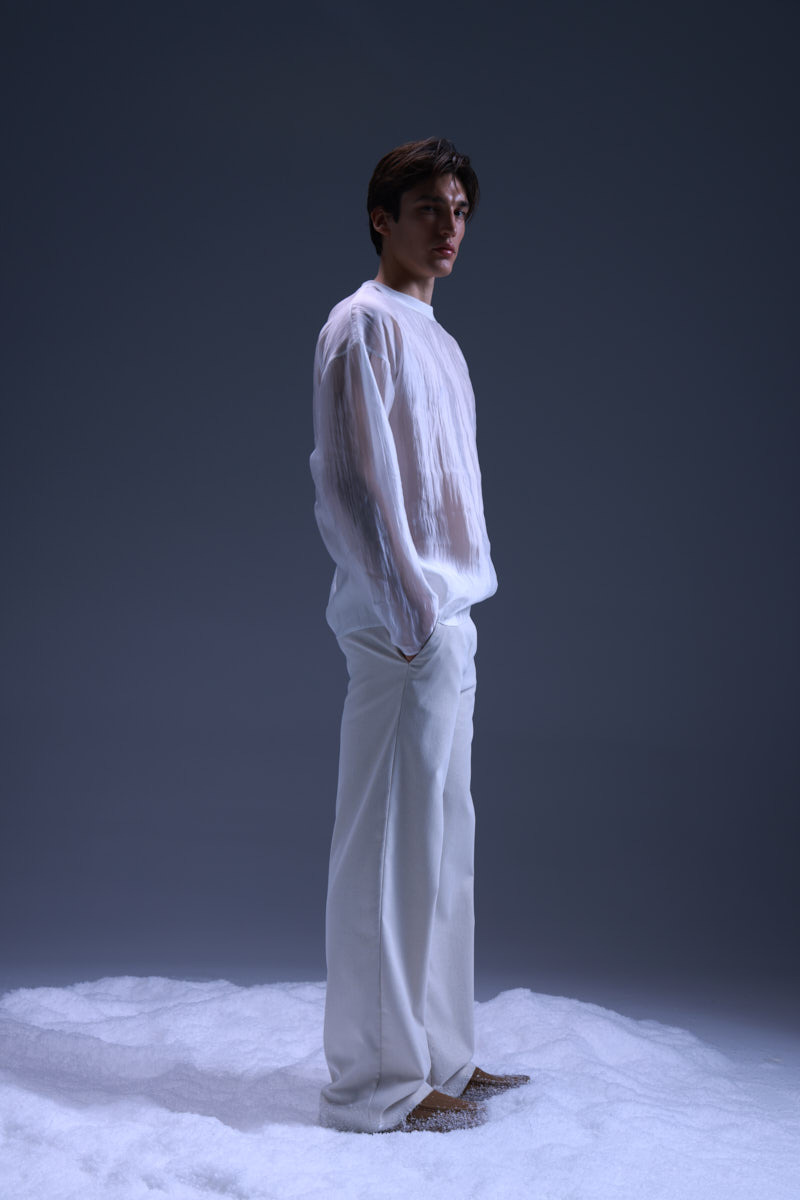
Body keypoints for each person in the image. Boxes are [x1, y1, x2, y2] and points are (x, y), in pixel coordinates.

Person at [309, 137, 528, 1134]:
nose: (448, 227)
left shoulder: (439, 339)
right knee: (388, 850)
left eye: (459, 210)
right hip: (404, 624)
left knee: (443, 849)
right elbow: (354, 482)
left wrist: (446, 612)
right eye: (428, 208)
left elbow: (446, 487)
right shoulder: (361, 326)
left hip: (446, 619)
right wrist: (410, 612)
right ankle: (377, 1082)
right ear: (380, 218)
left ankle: (442, 1053)